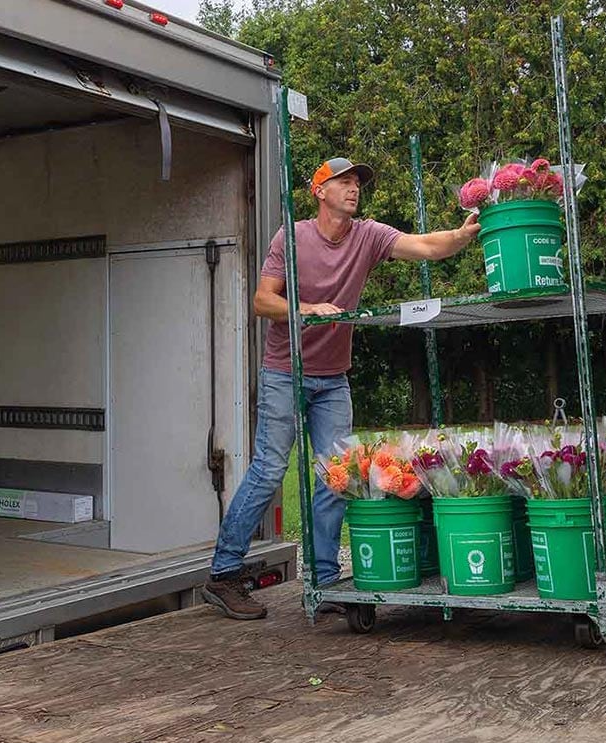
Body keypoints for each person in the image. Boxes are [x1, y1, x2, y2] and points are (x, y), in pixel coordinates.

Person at [202, 157, 481, 620]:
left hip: (333, 378)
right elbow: (262, 300)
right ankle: (225, 573)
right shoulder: (291, 237)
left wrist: (463, 234)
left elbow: (427, 246)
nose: (354, 189)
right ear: (320, 191)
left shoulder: (369, 235)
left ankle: (327, 580)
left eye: (357, 183)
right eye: (344, 182)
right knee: (270, 471)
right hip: (284, 372)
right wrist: (309, 308)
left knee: (335, 475)